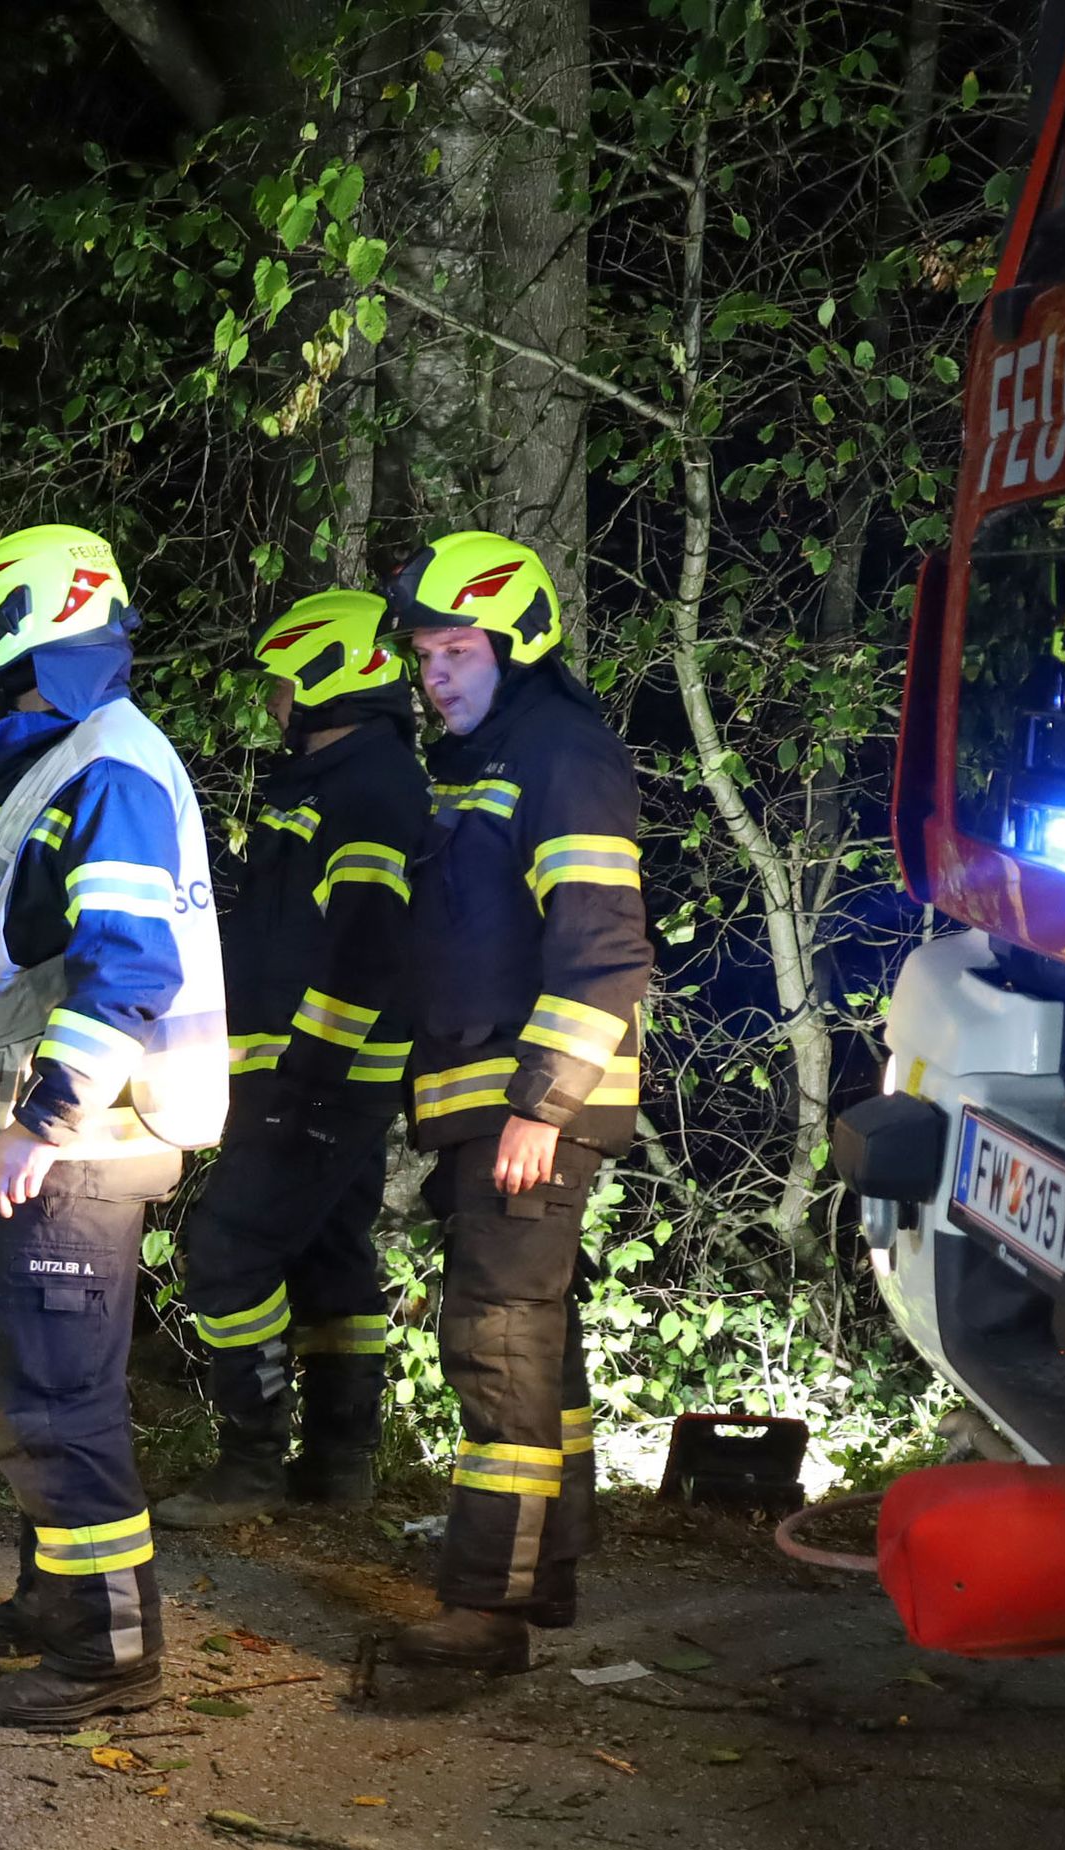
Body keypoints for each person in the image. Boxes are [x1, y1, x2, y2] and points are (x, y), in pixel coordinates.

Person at [0, 522, 226, 1729]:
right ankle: (54, 1604)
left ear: (29, 639)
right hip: (75, 1141)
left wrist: (42, 1118)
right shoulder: (83, 758)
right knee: (37, 1387)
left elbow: (128, 966)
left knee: (59, 1400)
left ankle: (107, 1651)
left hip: (83, 1143)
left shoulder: (105, 767)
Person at [381, 530, 652, 1668]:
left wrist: (542, 1105)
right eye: (424, 656)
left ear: (517, 644)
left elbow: (604, 946)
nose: (434, 675)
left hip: (529, 1108)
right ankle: (546, 1569)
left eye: (456, 650)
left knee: (494, 1340)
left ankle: (485, 1610)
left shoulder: (559, 753)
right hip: (494, 1100)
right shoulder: (488, 757)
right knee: (536, 1338)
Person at [160, 589, 422, 1525]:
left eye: (281, 681)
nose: (271, 700)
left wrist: (306, 1074)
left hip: (321, 1077)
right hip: (313, 1074)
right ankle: (340, 1465)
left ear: (327, 678)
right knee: (330, 1257)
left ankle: (250, 1464)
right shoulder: (329, 781)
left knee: (228, 1250)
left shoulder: (371, 787)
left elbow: (368, 946)